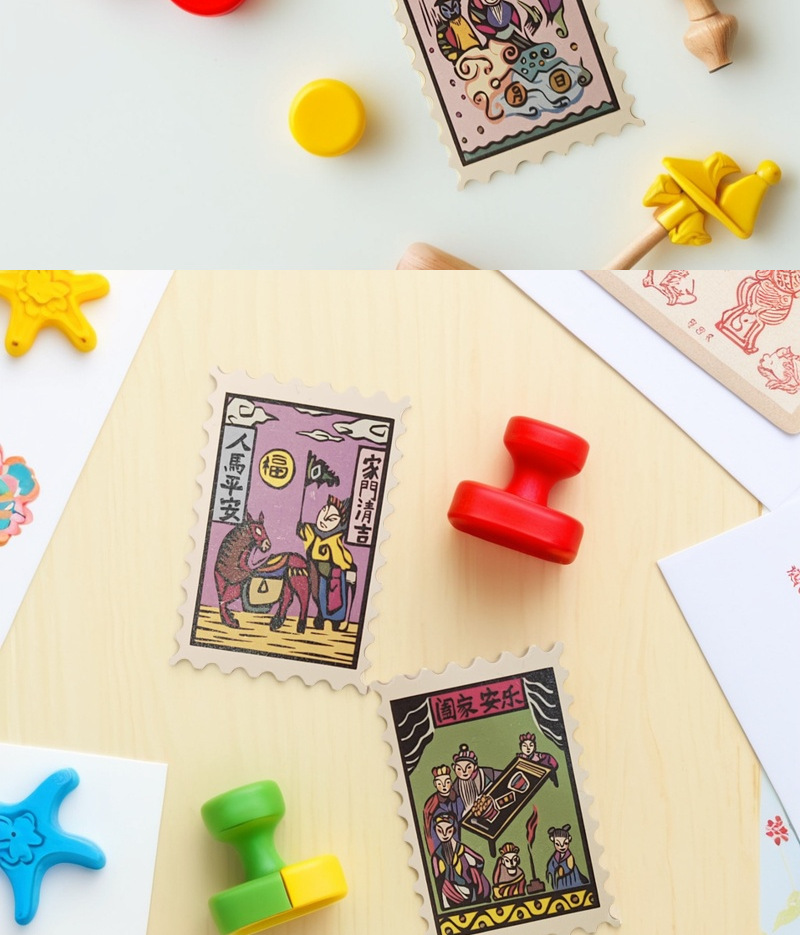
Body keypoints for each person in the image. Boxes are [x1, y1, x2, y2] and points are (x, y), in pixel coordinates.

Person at [297, 495, 354, 630]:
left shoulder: (335, 539)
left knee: (334, 597)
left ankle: (333, 620)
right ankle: (321, 616)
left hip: (333, 573)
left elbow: (344, 560)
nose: (324, 518)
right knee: (316, 594)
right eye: (324, 511)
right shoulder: (312, 532)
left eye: (331, 518)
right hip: (315, 568)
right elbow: (303, 533)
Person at [431, 812, 491, 908]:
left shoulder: (462, 849)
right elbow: (438, 881)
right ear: (435, 831)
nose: (444, 834)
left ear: (453, 830)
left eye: (448, 830)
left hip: (470, 887)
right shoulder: (436, 856)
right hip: (451, 891)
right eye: (440, 831)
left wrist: (473, 864)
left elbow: (480, 861)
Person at [423, 766, 463, 854]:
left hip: (455, 836)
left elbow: (461, 817)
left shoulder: (457, 798)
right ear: (435, 785)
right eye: (440, 783)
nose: (444, 786)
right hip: (440, 840)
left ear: (451, 782)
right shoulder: (432, 805)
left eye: (447, 782)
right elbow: (431, 831)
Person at [452, 744, 500, 813]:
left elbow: (504, 777)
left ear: (475, 766)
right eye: (459, 769)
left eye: (468, 767)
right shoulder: (456, 787)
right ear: (454, 768)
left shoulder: (487, 773)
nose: (464, 771)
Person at [545, 824, 588, 891]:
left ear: (569, 840)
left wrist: (561, 870)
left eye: (565, 843)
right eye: (557, 844)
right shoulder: (555, 856)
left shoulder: (569, 856)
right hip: (560, 881)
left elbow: (569, 867)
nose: (562, 846)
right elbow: (551, 865)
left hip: (571, 879)